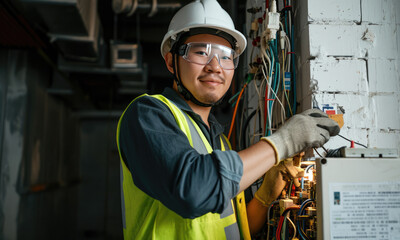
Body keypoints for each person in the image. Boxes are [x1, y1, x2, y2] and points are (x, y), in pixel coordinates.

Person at [116, 0, 340, 239]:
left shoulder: (221, 143)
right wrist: (283, 142)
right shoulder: (147, 115)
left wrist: (265, 194)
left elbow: (239, 229)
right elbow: (193, 191)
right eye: (201, 52)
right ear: (172, 61)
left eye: (226, 56)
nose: (215, 66)